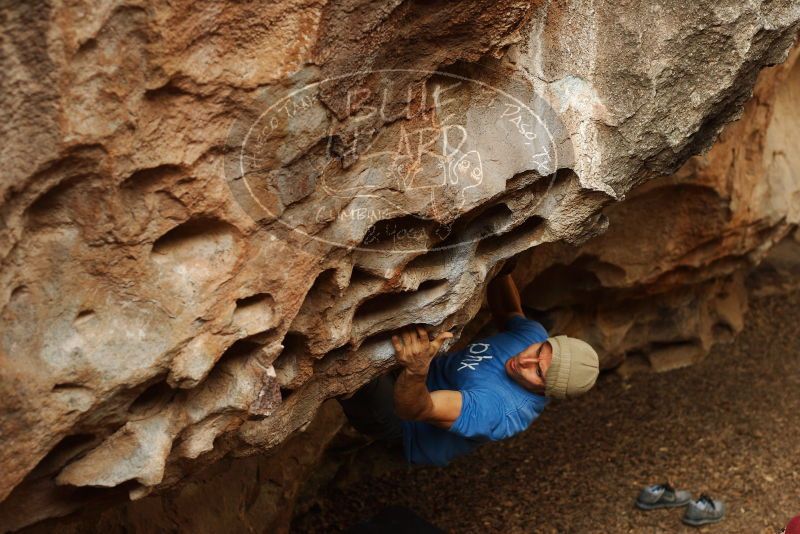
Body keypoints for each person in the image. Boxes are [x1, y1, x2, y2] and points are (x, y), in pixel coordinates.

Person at [338, 266, 600, 466]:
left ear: (545, 392)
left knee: (349, 364)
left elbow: (416, 409)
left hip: (409, 427)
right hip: (424, 374)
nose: (524, 360)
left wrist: (416, 370)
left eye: (537, 372)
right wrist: (502, 264)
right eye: (540, 351)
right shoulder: (533, 337)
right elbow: (509, 311)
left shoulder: (498, 410)